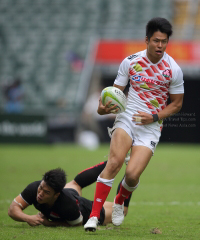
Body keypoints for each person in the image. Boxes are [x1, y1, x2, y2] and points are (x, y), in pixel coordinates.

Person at [84, 17, 184, 231]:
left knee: (131, 175)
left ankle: (120, 199)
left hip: (151, 126)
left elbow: (176, 105)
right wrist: (102, 108)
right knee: (114, 163)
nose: (160, 45)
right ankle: (93, 216)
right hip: (127, 118)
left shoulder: (173, 69)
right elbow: (113, 93)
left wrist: (155, 117)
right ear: (147, 40)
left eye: (164, 41)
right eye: (156, 40)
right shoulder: (130, 62)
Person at [8, 160, 132, 228]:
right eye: (41, 188)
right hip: (69, 192)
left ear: (56, 194)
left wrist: (49, 223)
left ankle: (128, 170)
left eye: (46, 192)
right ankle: (113, 160)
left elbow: (77, 224)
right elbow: (12, 209)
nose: (40, 194)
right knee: (76, 184)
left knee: (122, 210)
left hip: (84, 210)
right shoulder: (35, 188)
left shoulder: (68, 206)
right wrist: (28, 218)